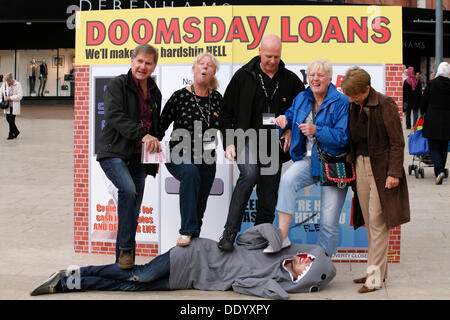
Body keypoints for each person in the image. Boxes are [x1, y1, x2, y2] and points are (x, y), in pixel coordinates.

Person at [30, 224, 336, 300]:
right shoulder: (279, 249)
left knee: (132, 288)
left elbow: (244, 287)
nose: (303, 258)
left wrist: (282, 289)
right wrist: (276, 242)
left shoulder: (274, 281)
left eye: (308, 264)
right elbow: (252, 234)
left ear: (305, 277)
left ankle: (70, 284)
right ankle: (79, 272)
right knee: (139, 276)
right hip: (193, 254)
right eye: (307, 255)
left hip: (188, 280)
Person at [218, 34, 305, 251]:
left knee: (269, 194)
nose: (273, 61)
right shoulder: (243, 76)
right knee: (249, 175)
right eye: (268, 56)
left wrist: (291, 130)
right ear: (259, 51)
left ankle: (258, 238)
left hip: (272, 145)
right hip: (245, 139)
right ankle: (229, 233)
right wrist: (230, 141)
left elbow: (303, 111)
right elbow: (226, 112)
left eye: (277, 56)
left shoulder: (290, 80)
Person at [270, 59, 350, 256]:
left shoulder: (342, 102)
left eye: (320, 75)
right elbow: (290, 114)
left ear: (330, 79)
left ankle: (324, 261)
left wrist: (317, 130)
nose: (315, 79)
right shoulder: (302, 97)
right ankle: (283, 236)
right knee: (287, 180)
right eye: (312, 75)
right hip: (308, 161)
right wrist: (284, 121)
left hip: (334, 163)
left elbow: (343, 138)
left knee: (329, 221)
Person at [341, 66, 410, 293]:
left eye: (355, 95)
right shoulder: (354, 105)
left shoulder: (385, 105)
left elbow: (397, 142)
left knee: (379, 223)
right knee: (371, 223)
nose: (352, 99)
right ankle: (378, 269)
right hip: (360, 165)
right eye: (349, 95)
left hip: (381, 169)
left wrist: (394, 173)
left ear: (367, 89)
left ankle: (374, 277)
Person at [96, 44, 162, 270]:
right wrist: (142, 134)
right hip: (113, 152)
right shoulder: (118, 84)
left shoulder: (155, 92)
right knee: (128, 191)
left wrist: (155, 156)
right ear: (132, 60)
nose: (143, 67)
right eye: (140, 61)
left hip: (139, 158)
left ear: (154, 65)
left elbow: (155, 127)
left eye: (149, 63)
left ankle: (122, 264)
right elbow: (115, 116)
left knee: (132, 211)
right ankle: (126, 250)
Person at [157, 53, 223, 246]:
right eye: (201, 64)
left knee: (199, 207)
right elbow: (159, 127)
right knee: (191, 172)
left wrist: (230, 145)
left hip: (206, 158)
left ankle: (192, 244)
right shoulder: (180, 96)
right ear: (194, 69)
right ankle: (186, 231)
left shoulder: (217, 99)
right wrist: (149, 161)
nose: (205, 67)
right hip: (179, 154)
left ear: (213, 72)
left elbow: (227, 128)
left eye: (209, 65)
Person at [420, 61, 450, 185]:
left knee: (434, 147)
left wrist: (423, 112)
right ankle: (441, 169)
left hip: (433, 120)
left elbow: (424, 102)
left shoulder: (432, 84)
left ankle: (439, 171)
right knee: (444, 147)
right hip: (448, 120)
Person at [1, 73, 23, 140]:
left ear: (11, 79)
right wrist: (1, 100)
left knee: (11, 120)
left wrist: (10, 97)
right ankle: (16, 132)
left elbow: (20, 96)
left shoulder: (17, 84)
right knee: (8, 119)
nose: (8, 83)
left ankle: (10, 134)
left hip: (14, 105)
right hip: (7, 105)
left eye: (9, 81)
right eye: (7, 81)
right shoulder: (4, 84)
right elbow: (0, 92)